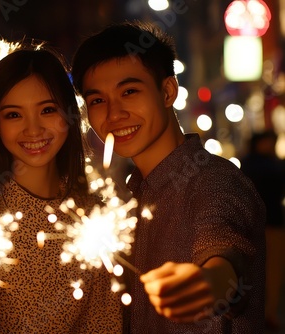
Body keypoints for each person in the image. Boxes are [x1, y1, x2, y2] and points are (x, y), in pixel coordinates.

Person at [71, 21, 266, 333]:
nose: (113, 113)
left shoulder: (213, 181)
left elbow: (223, 244)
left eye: (129, 91)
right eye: (97, 100)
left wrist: (210, 282)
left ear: (167, 92)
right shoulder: (129, 199)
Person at [0, 48, 122, 333]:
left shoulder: (94, 221)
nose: (33, 130)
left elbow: (104, 320)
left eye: (47, 110)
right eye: (14, 114)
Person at [241, 130, 285, 331]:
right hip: (269, 224)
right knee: (270, 270)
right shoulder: (268, 166)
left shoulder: (247, 164)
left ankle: (264, 313)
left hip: (257, 224)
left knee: (261, 271)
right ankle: (267, 313)